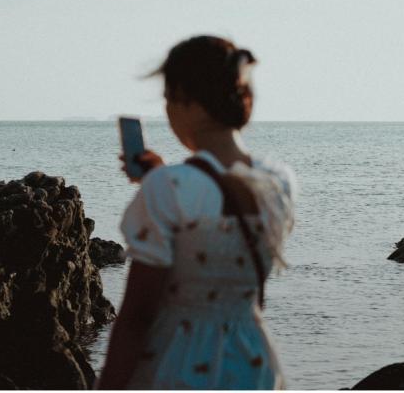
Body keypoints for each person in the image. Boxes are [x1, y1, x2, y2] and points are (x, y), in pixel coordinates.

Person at [97, 35, 296, 390]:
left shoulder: (169, 188)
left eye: (167, 99)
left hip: (180, 363)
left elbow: (138, 315)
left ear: (187, 101)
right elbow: (222, 201)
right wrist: (161, 178)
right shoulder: (279, 181)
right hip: (253, 362)